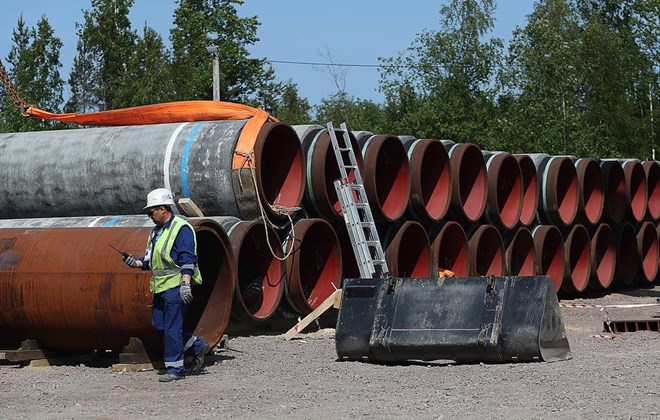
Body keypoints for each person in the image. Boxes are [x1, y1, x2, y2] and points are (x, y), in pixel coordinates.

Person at [122, 188, 209, 382]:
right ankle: (196, 345)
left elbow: (188, 258)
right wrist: (135, 263)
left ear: (162, 209)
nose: (149, 216)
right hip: (160, 287)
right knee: (159, 324)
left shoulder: (181, 228)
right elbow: (150, 259)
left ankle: (175, 369)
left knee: (171, 328)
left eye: (151, 211)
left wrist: (185, 283)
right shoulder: (156, 231)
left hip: (176, 286)